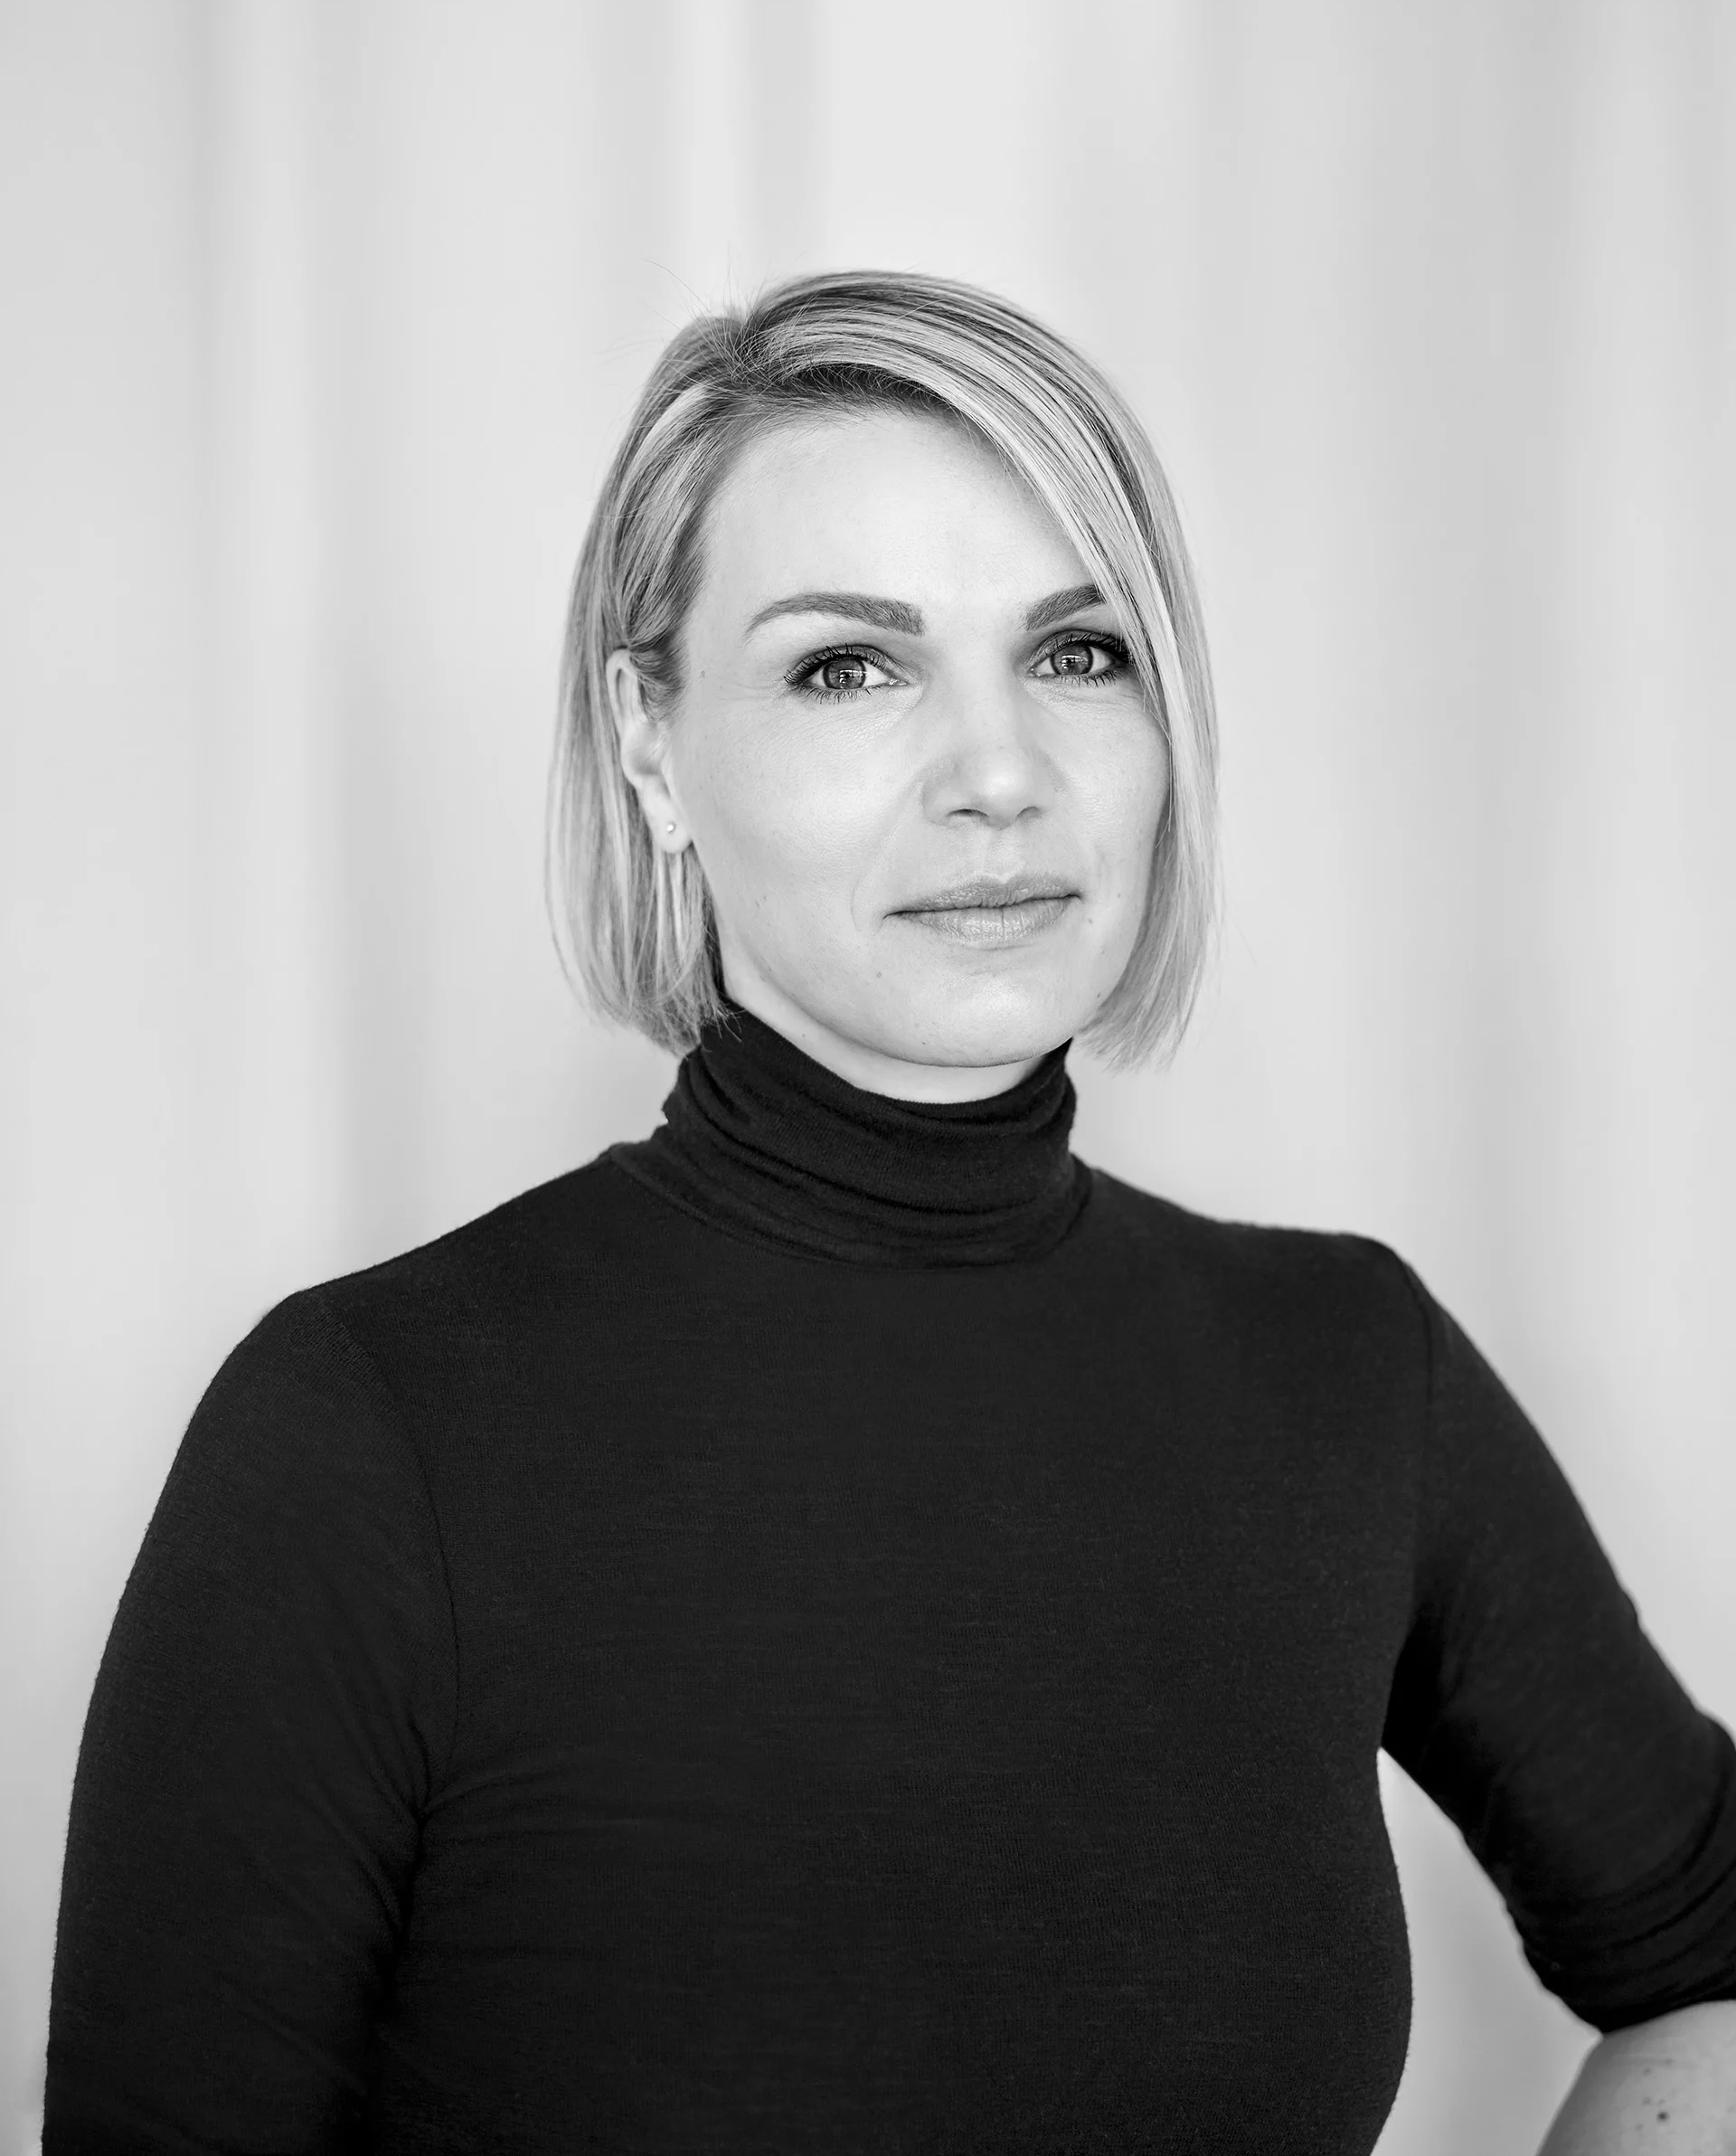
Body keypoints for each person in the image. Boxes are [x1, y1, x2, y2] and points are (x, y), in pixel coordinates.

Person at [44, 272, 1736, 2153]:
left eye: (1079, 652)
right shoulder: (366, 1428)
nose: (1000, 776)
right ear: (649, 743)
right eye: (849, 667)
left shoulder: (1349, 1372)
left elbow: (1710, 1959)